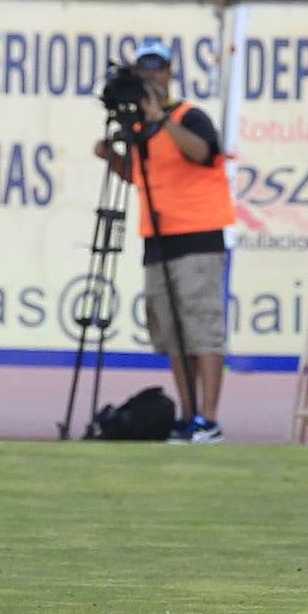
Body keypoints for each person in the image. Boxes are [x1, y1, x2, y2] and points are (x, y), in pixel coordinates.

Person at [93, 38, 233, 444]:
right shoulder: (139, 127)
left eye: (157, 69)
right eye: (144, 71)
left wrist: (163, 119)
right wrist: (112, 157)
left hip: (198, 237)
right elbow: (141, 179)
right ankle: (187, 416)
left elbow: (204, 153)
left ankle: (209, 419)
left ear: (169, 73)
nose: (151, 77)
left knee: (203, 330)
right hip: (157, 240)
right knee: (173, 333)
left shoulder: (190, 116)